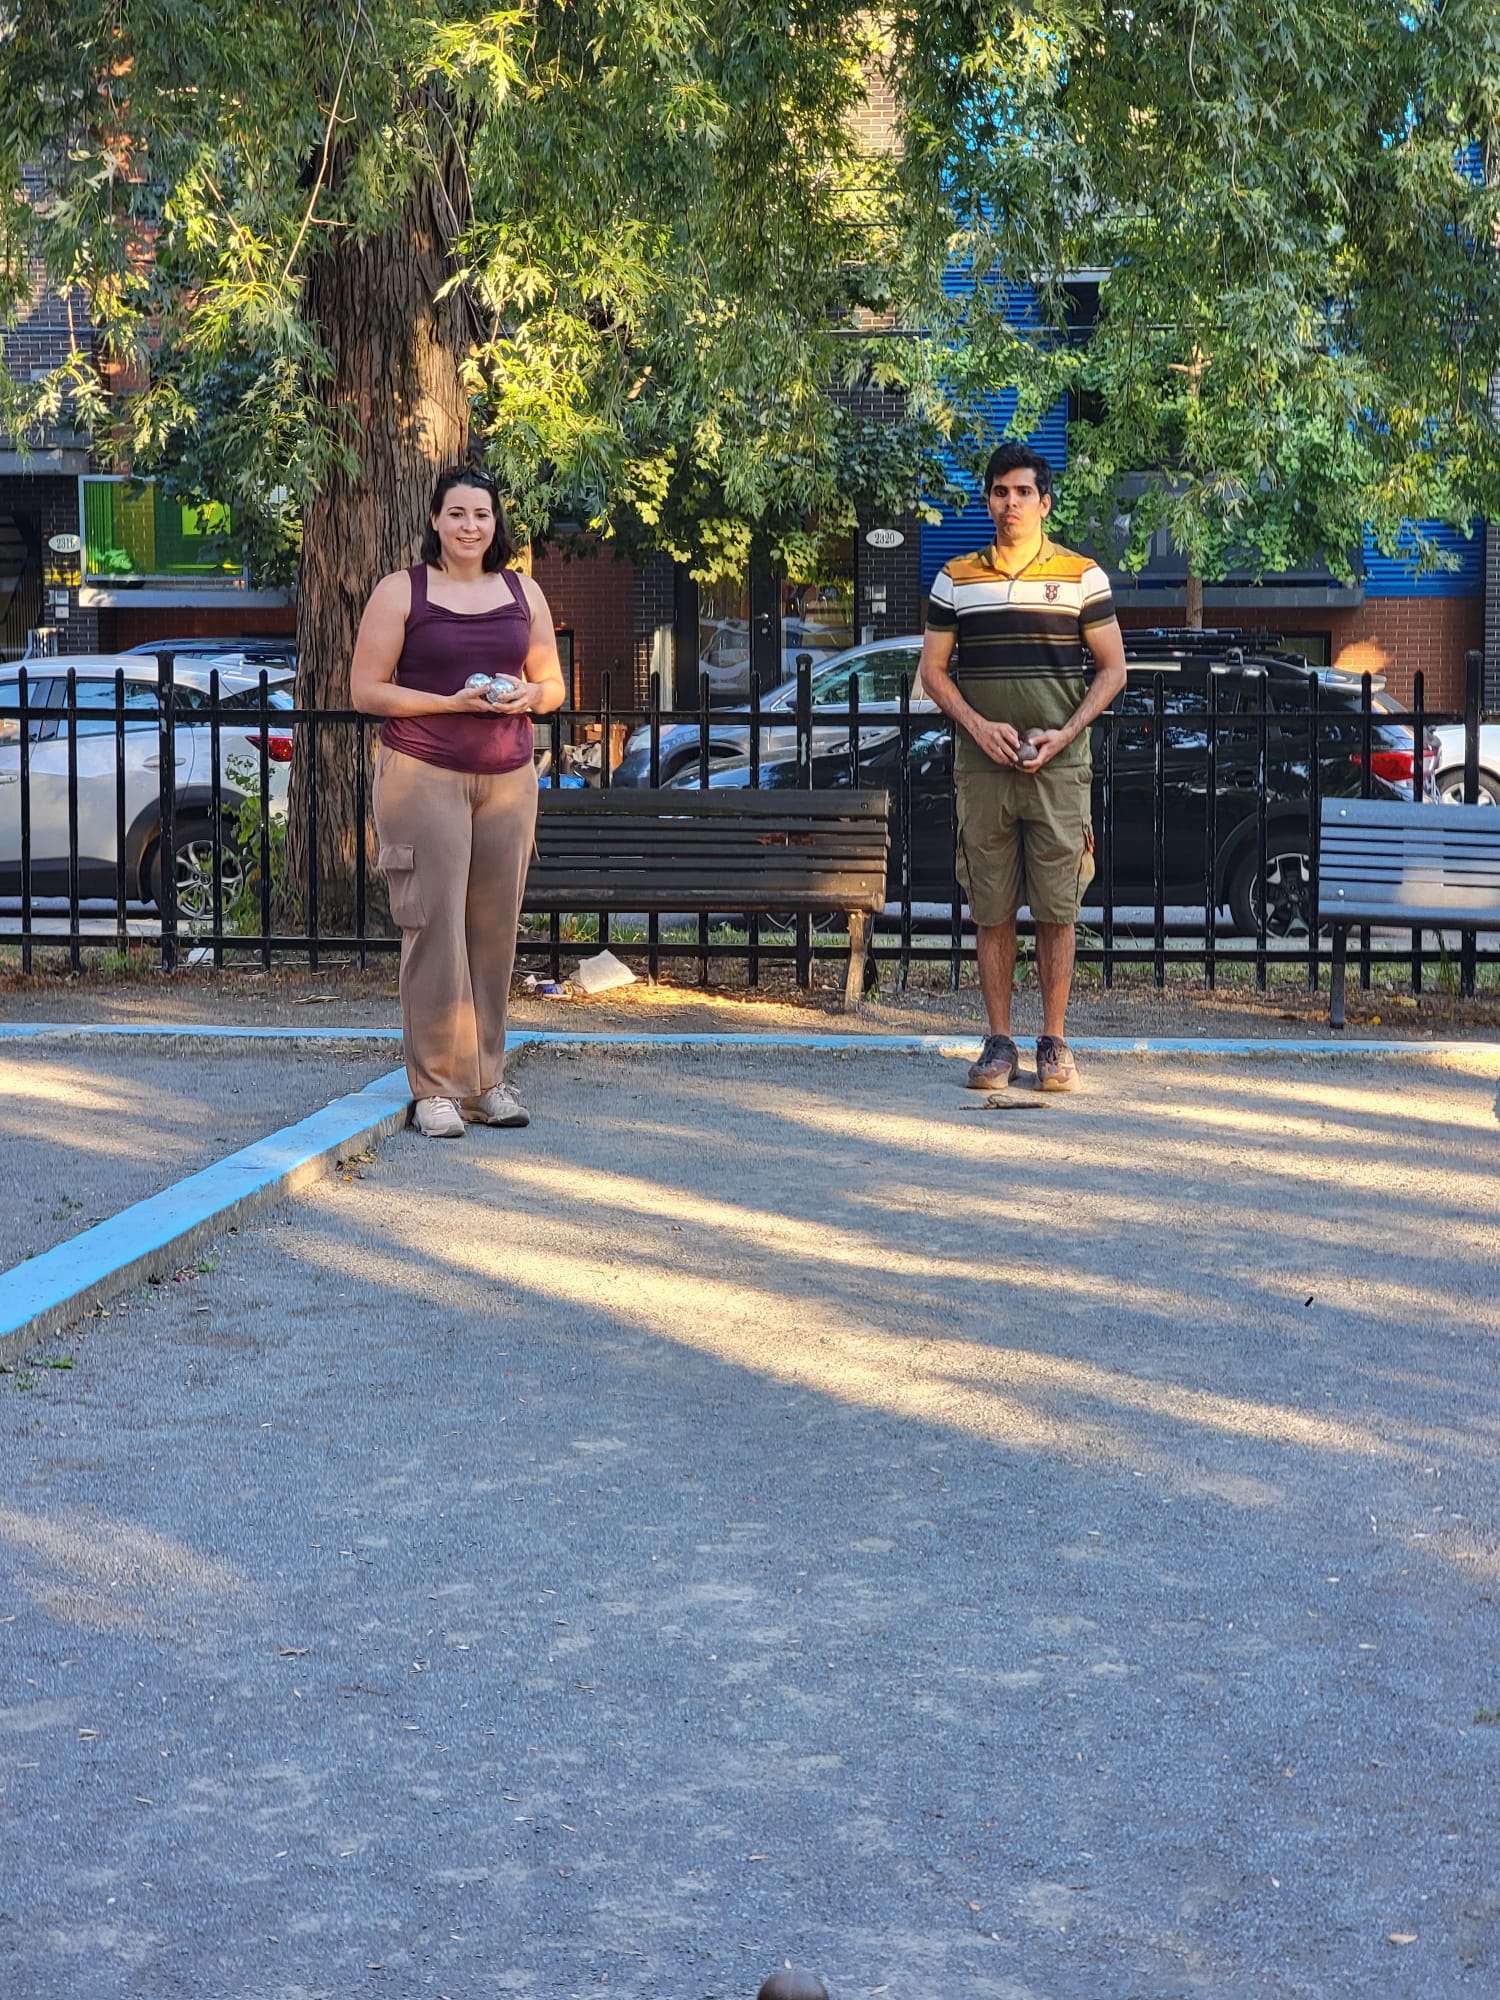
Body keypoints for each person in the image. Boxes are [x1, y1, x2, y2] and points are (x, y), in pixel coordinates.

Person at [351, 465, 566, 1137]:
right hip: (423, 773)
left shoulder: (523, 591)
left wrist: (532, 695)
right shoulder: (401, 591)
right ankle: (436, 1090)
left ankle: (486, 1083)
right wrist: (450, 703)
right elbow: (366, 690)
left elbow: (553, 684)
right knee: (435, 929)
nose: (470, 526)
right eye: (457, 514)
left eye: (482, 514)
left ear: (495, 523)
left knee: (494, 933)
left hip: (508, 778)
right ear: (435, 521)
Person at [919, 443, 1127, 1092]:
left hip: (1059, 771)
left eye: (1022, 491)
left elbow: (1113, 669)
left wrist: (1065, 734)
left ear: (1045, 502)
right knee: (992, 907)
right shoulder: (956, 578)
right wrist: (979, 727)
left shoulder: (1082, 576)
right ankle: (999, 1042)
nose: (1011, 502)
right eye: (1000, 491)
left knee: (1058, 909)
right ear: (988, 501)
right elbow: (932, 672)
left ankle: (1055, 1042)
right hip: (983, 771)